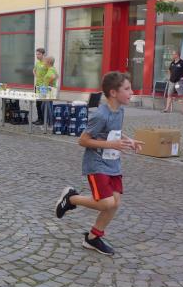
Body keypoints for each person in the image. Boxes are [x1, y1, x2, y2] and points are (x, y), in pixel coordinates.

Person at [54, 71, 143, 256]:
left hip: (113, 163)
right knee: (106, 203)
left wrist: (129, 140)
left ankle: (93, 238)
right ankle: (71, 198)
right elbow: (83, 140)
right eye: (127, 89)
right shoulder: (100, 115)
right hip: (96, 164)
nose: (131, 92)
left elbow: (114, 131)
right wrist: (112, 144)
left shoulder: (120, 110)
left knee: (115, 203)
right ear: (113, 93)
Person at [42, 56, 59, 125]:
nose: (44, 63)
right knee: (45, 106)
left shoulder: (51, 69)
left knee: (46, 107)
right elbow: (57, 76)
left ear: (48, 62)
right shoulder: (52, 69)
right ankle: (49, 123)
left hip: (48, 90)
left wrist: (49, 84)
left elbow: (53, 77)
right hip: (47, 90)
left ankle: (50, 124)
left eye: (45, 61)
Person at [32, 47, 47, 125]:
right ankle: (39, 118)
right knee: (38, 104)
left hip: (43, 87)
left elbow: (51, 73)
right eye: (36, 54)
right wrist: (36, 75)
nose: (37, 56)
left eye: (39, 54)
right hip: (37, 86)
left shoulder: (46, 63)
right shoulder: (38, 63)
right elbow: (34, 70)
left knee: (42, 104)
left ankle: (44, 120)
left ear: (43, 54)